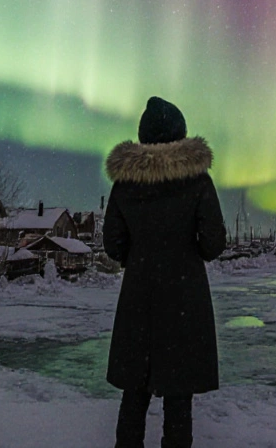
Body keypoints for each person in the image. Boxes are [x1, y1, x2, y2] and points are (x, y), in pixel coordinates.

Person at [103, 96, 226, 448]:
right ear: (180, 134)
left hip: (138, 298)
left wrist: (139, 257)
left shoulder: (125, 183)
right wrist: (188, 252)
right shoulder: (197, 181)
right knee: (178, 397)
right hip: (184, 298)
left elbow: (113, 244)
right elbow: (214, 243)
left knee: (134, 392)